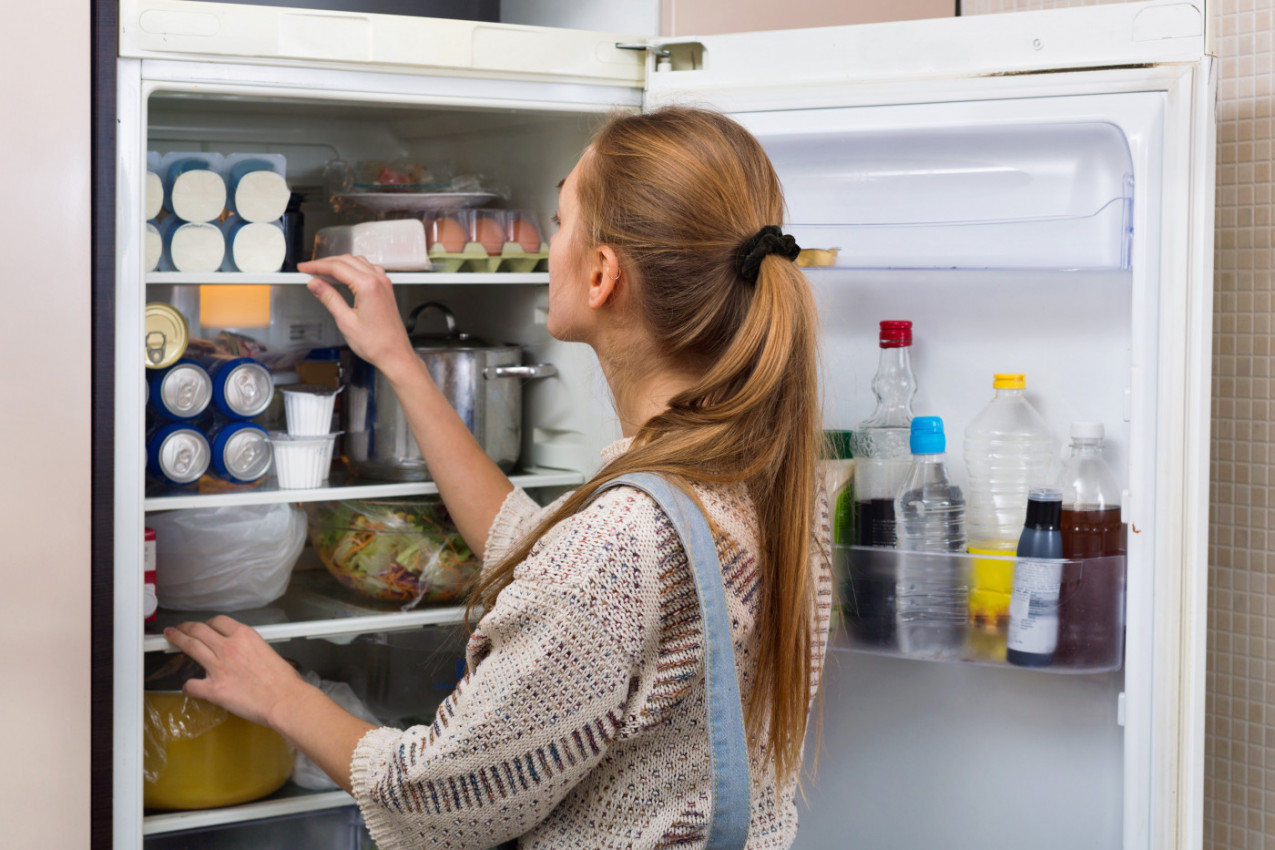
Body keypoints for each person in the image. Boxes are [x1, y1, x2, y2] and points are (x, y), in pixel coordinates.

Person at [164, 105, 832, 850]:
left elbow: (440, 799)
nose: (548, 245)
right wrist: (401, 364)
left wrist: (281, 696)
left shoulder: (620, 541)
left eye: (556, 222)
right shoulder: (762, 483)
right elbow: (540, 556)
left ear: (603, 274)